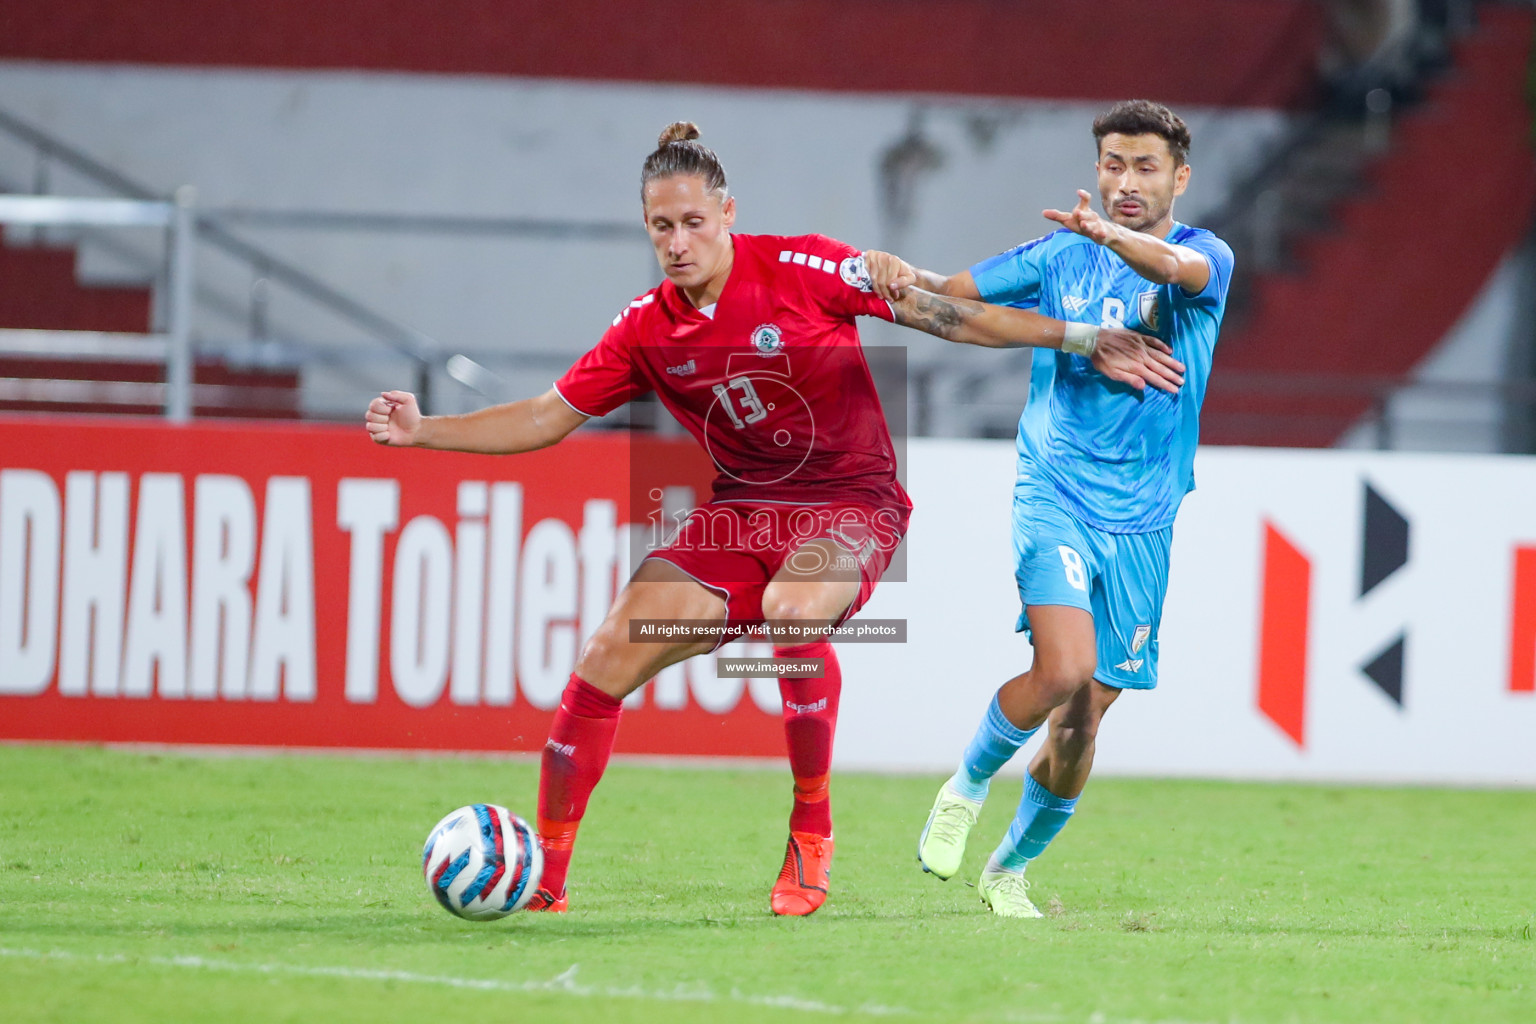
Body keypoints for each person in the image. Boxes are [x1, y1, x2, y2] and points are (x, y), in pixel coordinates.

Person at [366, 121, 1183, 917]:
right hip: (743, 515)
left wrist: (1082, 338)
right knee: (607, 653)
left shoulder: (802, 265)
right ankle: (547, 875)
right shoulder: (646, 329)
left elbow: (949, 314)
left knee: (793, 614)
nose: (678, 241)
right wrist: (422, 431)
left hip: (853, 503)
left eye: (693, 221)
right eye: (661, 227)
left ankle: (811, 827)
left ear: (727, 214)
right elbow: (547, 417)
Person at [866, 99, 1234, 918]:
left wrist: (1111, 239)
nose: (1125, 181)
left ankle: (1008, 870)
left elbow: (1177, 273)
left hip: (1144, 519)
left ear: (1180, 177)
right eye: (1112, 163)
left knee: (1080, 726)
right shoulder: (1061, 251)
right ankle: (965, 784)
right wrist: (900, 275)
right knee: (1062, 667)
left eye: (1144, 166)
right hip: (1055, 488)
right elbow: (954, 298)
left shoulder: (1207, 256)